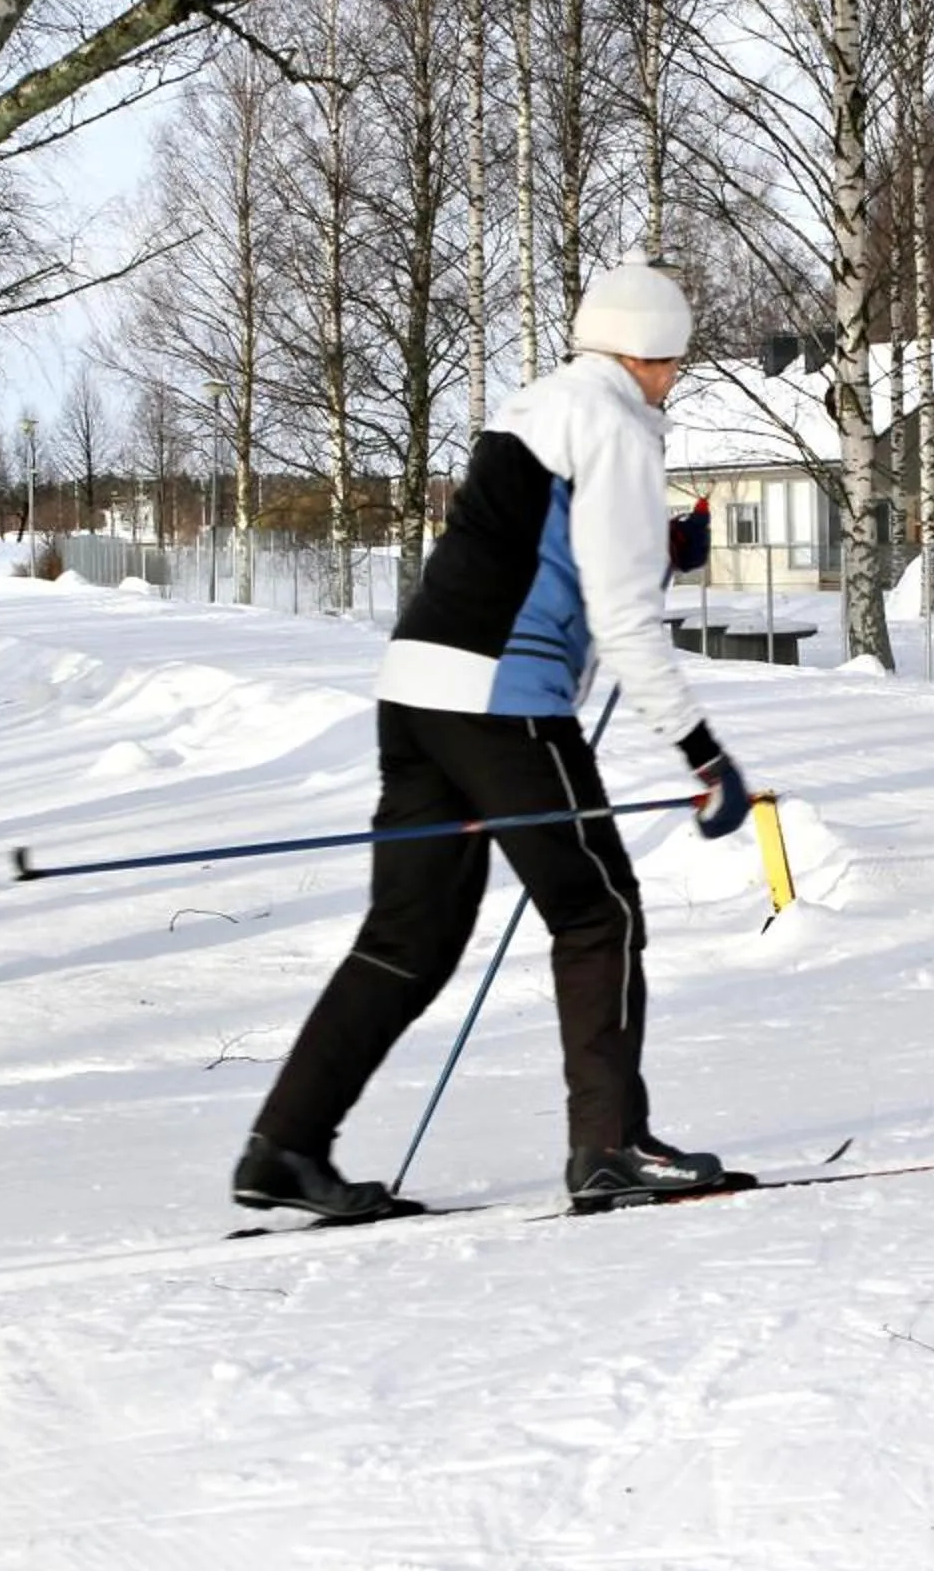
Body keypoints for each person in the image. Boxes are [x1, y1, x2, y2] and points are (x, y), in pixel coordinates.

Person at [233, 252, 753, 1220]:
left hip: (415, 692)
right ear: (650, 354)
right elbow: (623, 618)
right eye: (675, 363)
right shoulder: (617, 427)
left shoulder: (535, 408)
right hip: (504, 700)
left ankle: (285, 1145)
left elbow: (542, 555)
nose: (673, 380)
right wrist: (702, 752)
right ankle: (610, 1145)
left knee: (410, 935)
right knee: (597, 909)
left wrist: (659, 551)